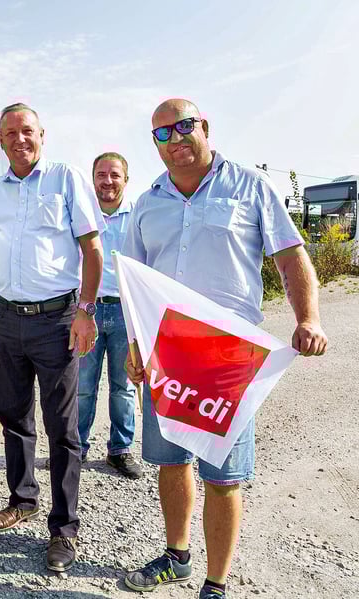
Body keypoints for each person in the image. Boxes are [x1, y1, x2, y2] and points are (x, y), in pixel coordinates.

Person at [122, 99, 327, 599]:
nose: (175, 140)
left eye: (184, 126)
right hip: (167, 350)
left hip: (228, 354)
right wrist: (134, 343)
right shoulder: (148, 202)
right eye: (162, 134)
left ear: (205, 127)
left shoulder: (250, 187)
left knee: (223, 474)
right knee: (172, 463)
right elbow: (134, 280)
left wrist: (309, 317)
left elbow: (291, 257)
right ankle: (177, 556)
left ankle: (216, 584)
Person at [0, 103, 104, 572]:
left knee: (63, 429)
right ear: (0, 142)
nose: (19, 139)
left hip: (57, 321)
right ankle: (22, 498)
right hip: (5, 319)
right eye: (10, 133)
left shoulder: (65, 178)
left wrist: (85, 310)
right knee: (13, 416)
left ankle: (64, 529)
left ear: (42, 135)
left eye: (27, 131)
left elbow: (92, 249)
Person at [75, 152, 143, 479]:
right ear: (93, 180)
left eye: (115, 174)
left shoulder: (139, 217)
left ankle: (120, 450)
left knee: (124, 386)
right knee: (83, 385)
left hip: (126, 313)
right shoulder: (82, 216)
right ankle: (77, 447)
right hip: (87, 310)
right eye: (101, 174)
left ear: (125, 180)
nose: (107, 181)